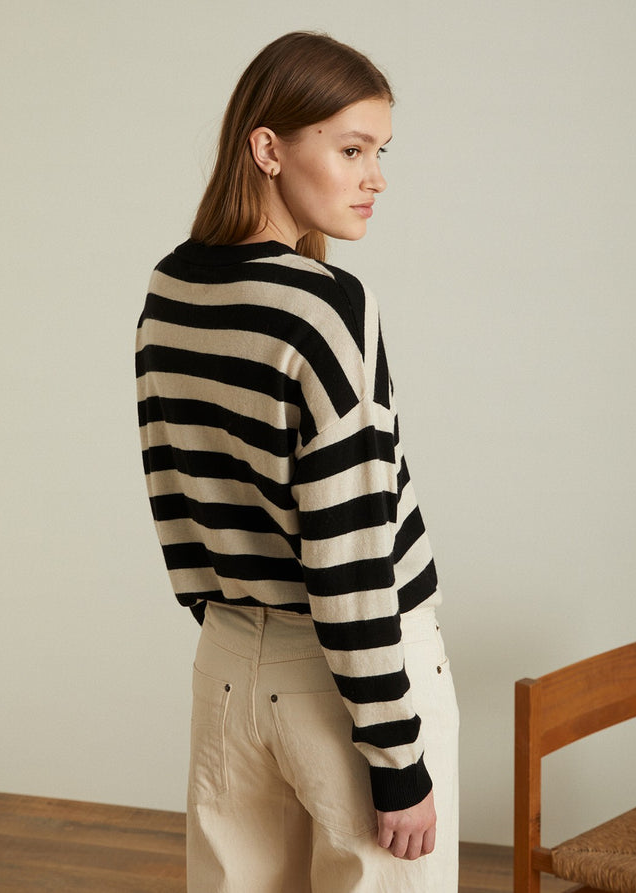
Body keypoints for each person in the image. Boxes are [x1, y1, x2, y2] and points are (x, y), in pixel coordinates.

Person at [136, 31, 458, 893]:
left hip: (228, 668)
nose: (375, 178)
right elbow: (351, 552)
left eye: (380, 152)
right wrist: (397, 756)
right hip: (355, 682)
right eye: (351, 149)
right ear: (268, 149)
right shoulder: (327, 307)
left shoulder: (170, 288)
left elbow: (174, 491)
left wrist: (240, 633)